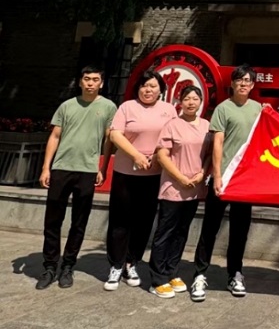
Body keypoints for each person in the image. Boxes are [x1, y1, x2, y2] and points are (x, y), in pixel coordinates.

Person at [35, 66, 117, 290]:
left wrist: (103, 167)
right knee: (53, 220)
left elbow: (109, 140)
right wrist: (46, 168)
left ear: (101, 83)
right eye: (87, 79)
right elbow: (55, 136)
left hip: (88, 170)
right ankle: (50, 266)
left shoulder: (109, 107)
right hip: (61, 168)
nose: (90, 83)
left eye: (95, 79)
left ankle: (68, 266)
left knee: (79, 222)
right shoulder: (67, 106)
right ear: (80, 82)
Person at [190, 64, 262, 302]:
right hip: (223, 177)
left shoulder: (258, 109)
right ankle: (200, 274)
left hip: (245, 180)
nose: (243, 83)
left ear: (252, 85)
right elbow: (218, 143)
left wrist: (270, 112)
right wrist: (218, 175)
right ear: (232, 84)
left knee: (240, 230)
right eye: (239, 80)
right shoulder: (223, 108)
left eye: (248, 80)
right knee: (210, 228)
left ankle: (235, 274)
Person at [104, 70, 177, 290]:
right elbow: (115, 135)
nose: (148, 90)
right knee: (120, 220)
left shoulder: (169, 110)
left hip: (154, 174)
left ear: (161, 89)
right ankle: (116, 265)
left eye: (153, 86)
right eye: (144, 86)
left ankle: (131, 262)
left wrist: (157, 156)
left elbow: (173, 137)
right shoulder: (127, 107)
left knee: (144, 221)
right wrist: (136, 155)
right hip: (126, 172)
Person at [148, 86, 211, 298]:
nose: (191, 102)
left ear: (201, 101)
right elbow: (162, 155)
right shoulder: (172, 125)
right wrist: (180, 177)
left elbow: (209, 155)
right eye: (187, 99)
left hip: (194, 187)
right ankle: (157, 278)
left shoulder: (206, 126)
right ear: (180, 102)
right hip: (173, 187)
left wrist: (202, 173)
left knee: (182, 231)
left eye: (195, 99)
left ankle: (172, 271)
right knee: (165, 231)